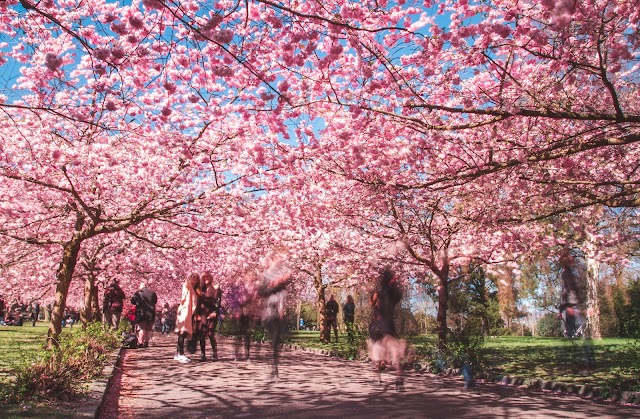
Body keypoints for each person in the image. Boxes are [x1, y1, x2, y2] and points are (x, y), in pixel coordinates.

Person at [368, 268, 406, 390]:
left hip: (379, 325)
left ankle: (378, 375)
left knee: (377, 350)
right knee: (393, 352)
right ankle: (399, 376)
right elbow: (398, 296)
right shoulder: (394, 294)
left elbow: (373, 305)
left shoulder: (379, 293)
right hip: (390, 325)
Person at [258, 256, 291, 379]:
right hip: (269, 315)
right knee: (275, 337)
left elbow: (287, 278)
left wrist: (282, 311)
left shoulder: (283, 289)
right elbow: (261, 292)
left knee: (277, 340)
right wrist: (272, 284)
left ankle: (274, 366)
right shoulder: (268, 278)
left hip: (279, 316)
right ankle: (273, 364)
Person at [194, 272, 222, 361]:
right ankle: (203, 354)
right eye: (204, 277)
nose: (206, 278)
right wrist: (196, 314)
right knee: (202, 333)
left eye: (208, 277)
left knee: (210, 333)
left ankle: (215, 353)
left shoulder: (215, 288)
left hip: (212, 312)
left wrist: (215, 312)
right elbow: (197, 302)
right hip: (202, 313)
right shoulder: (200, 289)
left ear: (211, 278)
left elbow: (218, 301)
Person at [174, 273, 199, 363]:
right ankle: (181, 354)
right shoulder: (187, 286)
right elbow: (187, 282)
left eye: (197, 277)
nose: (195, 279)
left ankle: (178, 353)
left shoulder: (194, 289)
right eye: (193, 277)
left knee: (183, 333)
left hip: (189, 313)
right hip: (185, 312)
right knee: (183, 332)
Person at [131, 283, 157, 348]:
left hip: (141, 313)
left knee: (142, 328)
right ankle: (146, 342)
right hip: (151, 313)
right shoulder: (153, 293)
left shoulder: (138, 293)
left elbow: (133, 301)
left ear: (141, 287)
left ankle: (140, 343)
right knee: (149, 329)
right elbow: (155, 301)